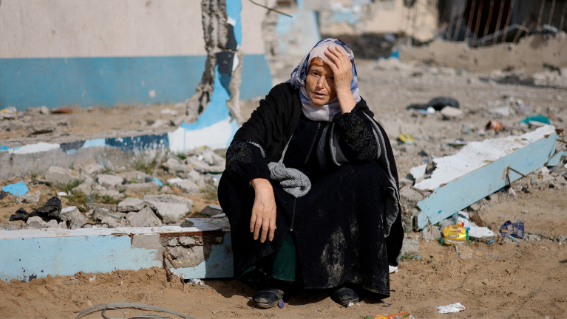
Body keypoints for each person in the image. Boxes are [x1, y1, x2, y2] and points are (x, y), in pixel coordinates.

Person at [218, 38, 403, 308]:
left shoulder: (351, 108)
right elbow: (242, 144)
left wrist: (344, 92)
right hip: (281, 196)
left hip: (326, 205)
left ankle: (343, 277)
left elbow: (366, 151)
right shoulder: (284, 98)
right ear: (304, 72)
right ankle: (273, 277)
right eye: (315, 73)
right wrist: (263, 186)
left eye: (332, 77)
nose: (320, 85)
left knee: (369, 175)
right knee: (233, 181)